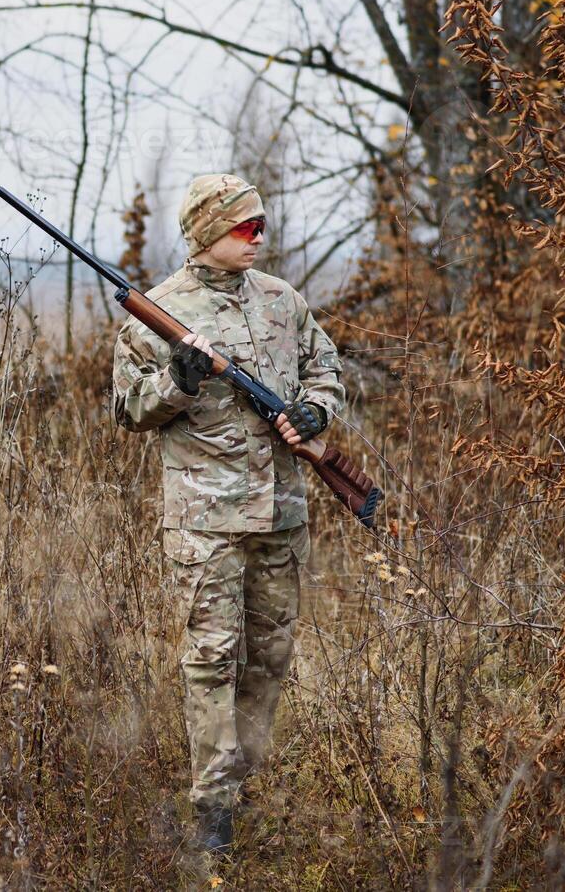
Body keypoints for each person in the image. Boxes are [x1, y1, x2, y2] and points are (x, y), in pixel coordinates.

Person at [110, 173, 346, 855]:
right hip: (205, 521)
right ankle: (213, 811)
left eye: (261, 225)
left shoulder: (283, 301)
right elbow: (128, 410)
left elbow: (325, 370)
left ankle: (248, 786)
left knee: (270, 657)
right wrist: (179, 380)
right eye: (246, 227)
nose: (258, 238)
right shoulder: (157, 310)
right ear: (209, 231)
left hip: (281, 514)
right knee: (211, 659)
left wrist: (313, 411)